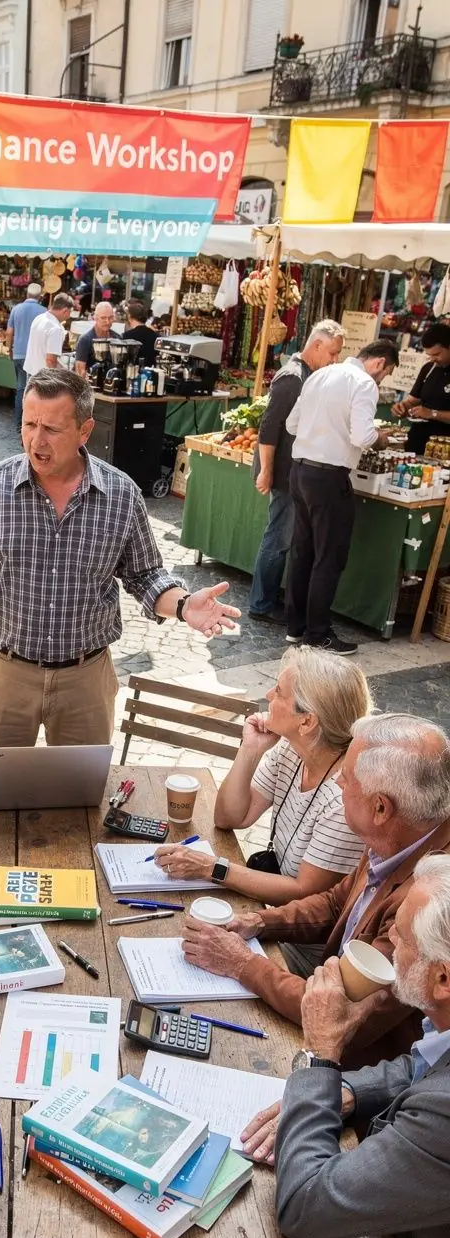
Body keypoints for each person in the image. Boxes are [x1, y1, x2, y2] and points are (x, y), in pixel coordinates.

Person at [172, 856, 450, 1238]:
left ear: (443, 979)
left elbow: (303, 1208)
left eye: (397, 938)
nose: (388, 941)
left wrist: (321, 1059)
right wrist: (346, 1089)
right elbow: (417, 1067)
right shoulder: (442, 1025)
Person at [0, 368, 239, 763]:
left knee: (82, 801)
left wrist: (182, 605)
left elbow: (145, 575)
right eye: (29, 424)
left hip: (86, 679)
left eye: (52, 429)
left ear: (85, 430)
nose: (36, 440)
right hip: (3, 676)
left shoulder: (122, 494)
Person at [181, 713, 450, 1062]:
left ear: (380, 807)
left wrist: (241, 964)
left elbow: (342, 1016)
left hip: (366, 1072)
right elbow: (337, 903)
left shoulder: (427, 897)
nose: (337, 780)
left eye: (346, 780)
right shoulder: (404, 830)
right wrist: (262, 922)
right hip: (324, 1000)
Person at [155, 646, 371, 976]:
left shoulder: (342, 796)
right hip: (270, 923)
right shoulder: (291, 748)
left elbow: (304, 891)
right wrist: (250, 749)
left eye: (279, 692)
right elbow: (229, 817)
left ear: (308, 721)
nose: (268, 694)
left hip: (307, 955)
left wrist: (213, 868)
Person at [284, 339, 398, 654]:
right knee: (329, 556)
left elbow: (292, 424)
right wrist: (381, 439)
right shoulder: (363, 383)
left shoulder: (320, 374)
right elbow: (363, 435)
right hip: (328, 477)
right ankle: (317, 632)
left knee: (304, 551)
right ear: (379, 363)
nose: (381, 380)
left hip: (300, 470)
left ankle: (296, 627)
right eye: (385, 374)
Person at [248, 321, 345, 622]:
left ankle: (266, 598)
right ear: (316, 345)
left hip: (293, 472)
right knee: (278, 538)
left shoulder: (309, 375)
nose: (335, 360)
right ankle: (261, 604)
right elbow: (268, 428)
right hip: (282, 471)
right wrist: (265, 471)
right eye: (332, 353)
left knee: (284, 538)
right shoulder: (292, 377)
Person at [391, 320, 450, 454]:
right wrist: (402, 407)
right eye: (429, 355)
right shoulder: (428, 369)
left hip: (444, 449)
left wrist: (432, 414)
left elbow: (430, 412)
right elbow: (412, 401)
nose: (432, 359)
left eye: (437, 354)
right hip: (417, 444)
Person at [6, 282, 46, 429]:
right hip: (34, 357)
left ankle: (19, 424)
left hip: (18, 354)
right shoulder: (43, 311)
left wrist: (9, 349)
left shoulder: (16, 309)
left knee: (21, 389)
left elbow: (9, 333)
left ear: (27, 294)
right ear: (40, 296)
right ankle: (30, 423)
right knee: (35, 391)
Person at [23, 292, 74, 378]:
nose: (69, 316)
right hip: (43, 377)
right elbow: (50, 360)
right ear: (65, 310)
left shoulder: (39, 318)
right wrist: (64, 376)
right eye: (69, 312)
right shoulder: (55, 328)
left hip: (31, 373)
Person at [74, 300, 116, 377]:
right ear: (95, 318)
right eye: (103, 318)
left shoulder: (117, 338)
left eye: (110, 317)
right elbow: (80, 372)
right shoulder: (85, 339)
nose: (107, 321)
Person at [123, 299, 158, 367]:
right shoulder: (155, 336)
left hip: (131, 373)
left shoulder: (127, 336)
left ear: (129, 316)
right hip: (150, 373)